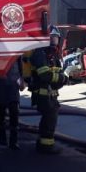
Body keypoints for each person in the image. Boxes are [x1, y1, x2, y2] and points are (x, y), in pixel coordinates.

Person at [29, 26, 68, 154]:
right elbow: (45, 75)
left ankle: (42, 145)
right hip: (43, 95)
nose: (54, 39)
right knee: (49, 122)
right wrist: (62, 78)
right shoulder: (40, 54)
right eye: (52, 37)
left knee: (48, 121)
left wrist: (63, 78)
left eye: (56, 37)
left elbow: (57, 74)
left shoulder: (52, 54)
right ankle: (46, 148)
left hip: (51, 95)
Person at [0, 57, 24, 149]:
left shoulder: (15, 48)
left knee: (14, 111)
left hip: (13, 83)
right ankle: (2, 138)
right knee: (1, 110)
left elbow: (19, 62)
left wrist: (22, 79)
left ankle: (13, 141)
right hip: (0, 83)